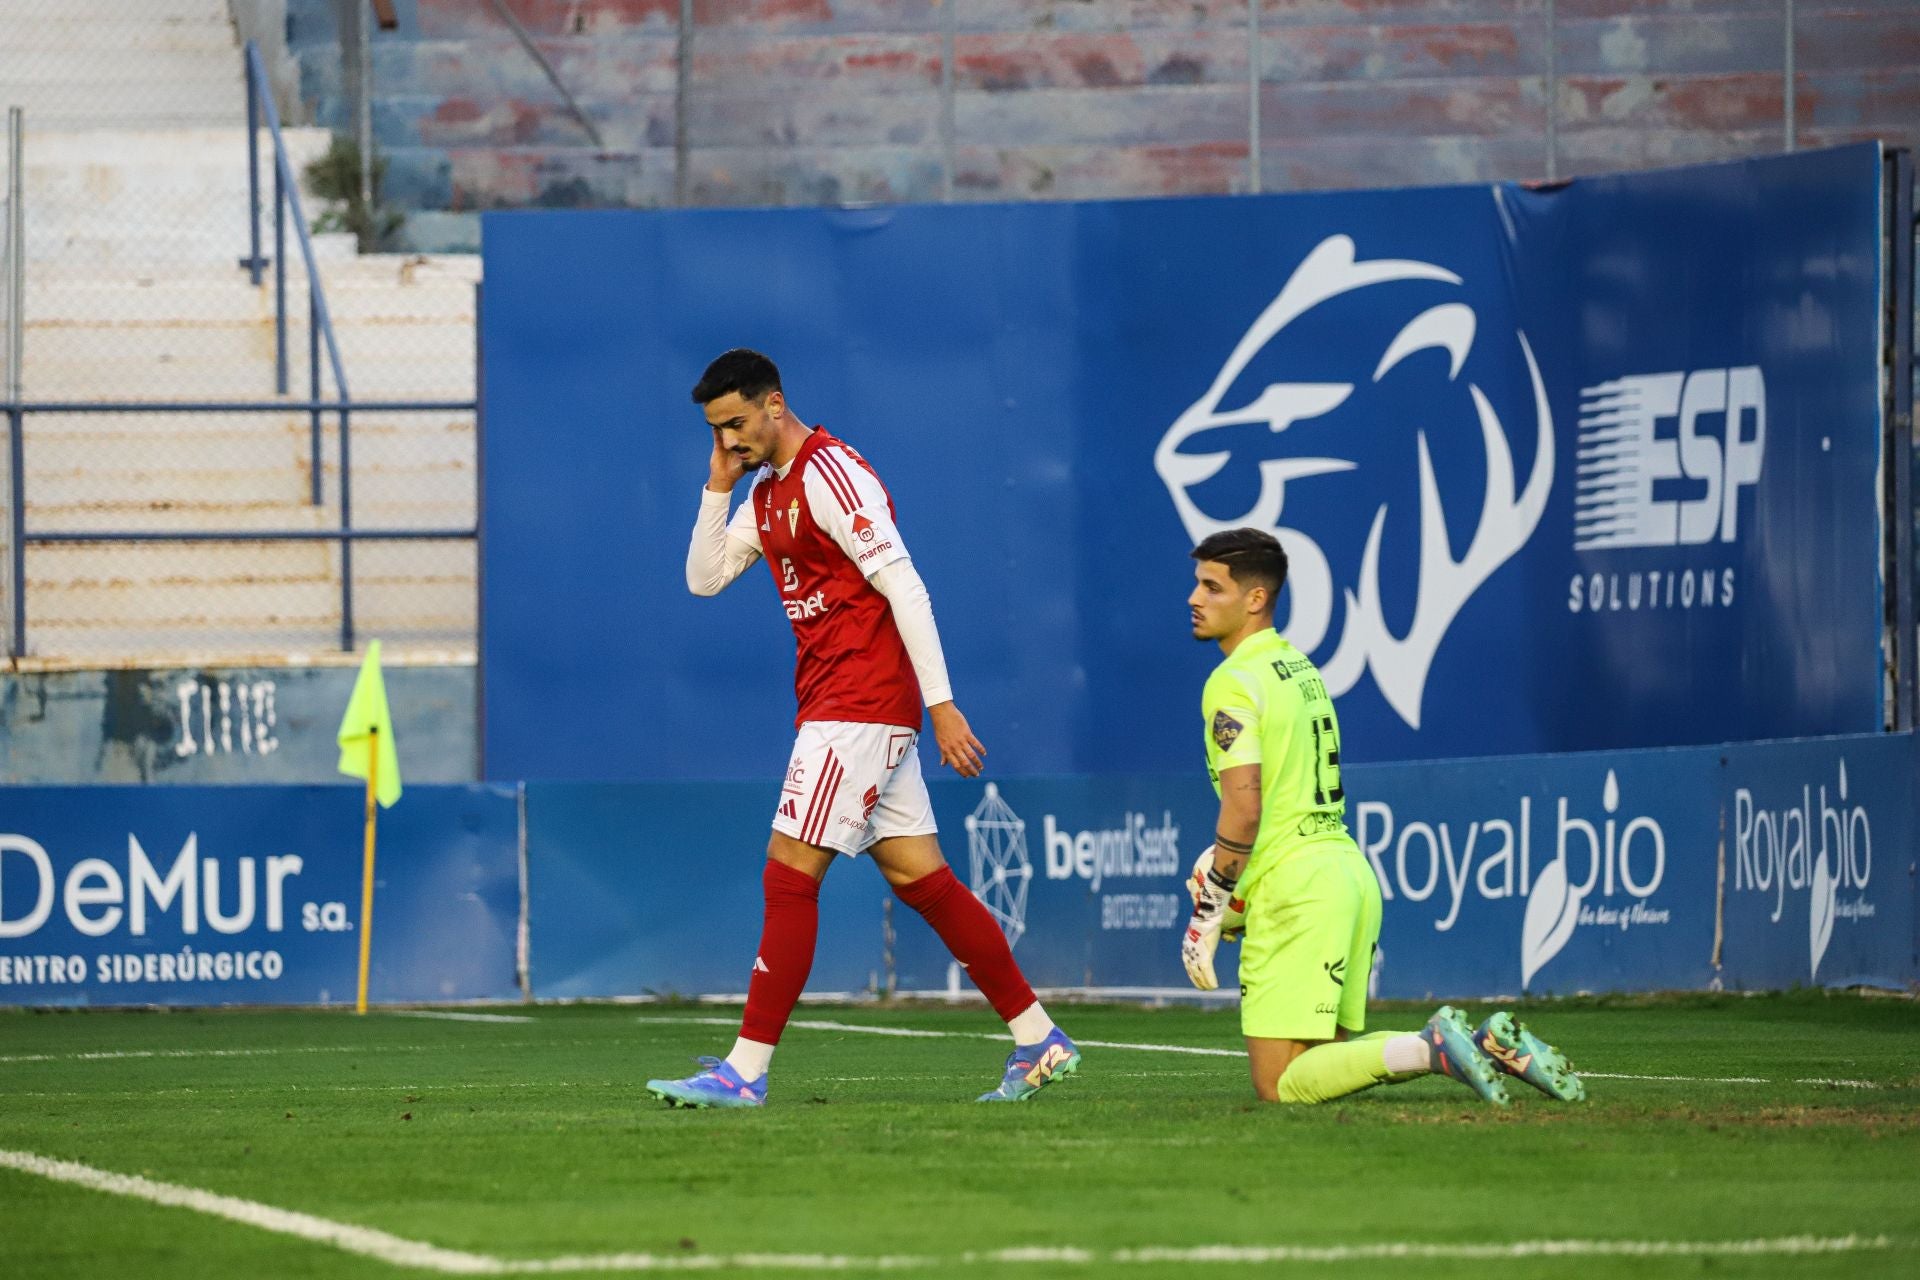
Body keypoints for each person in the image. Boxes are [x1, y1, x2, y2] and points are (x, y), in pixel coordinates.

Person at [646, 349, 1080, 1108]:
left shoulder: (831, 474)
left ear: (774, 404)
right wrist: (718, 486)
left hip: (858, 706)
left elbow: (904, 584)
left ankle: (744, 1072)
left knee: (787, 874)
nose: (731, 442)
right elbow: (704, 577)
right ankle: (1037, 1035)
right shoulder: (766, 490)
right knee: (925, 882)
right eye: (718, 431)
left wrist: (942, 704)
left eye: (737, 425)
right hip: (841, 706)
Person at [1178, 527, 1584, 1107]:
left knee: (1280, 1086)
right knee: (1319, 1070)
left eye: (1212, 587)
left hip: (1296, 891)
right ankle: (1484, 1044)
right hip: (1347, 876)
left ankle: (1434, 1048)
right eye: (1196, 583)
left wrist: (1210, 908)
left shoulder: (1233, 681)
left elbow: (1245, 807)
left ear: (1255, 599)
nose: (1194, 597)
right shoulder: (1299, 668)